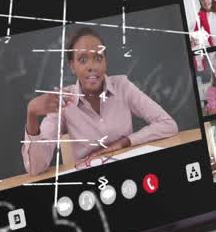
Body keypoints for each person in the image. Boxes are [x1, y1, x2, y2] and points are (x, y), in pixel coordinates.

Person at [22, 26, 178, 175]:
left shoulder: (122, 86)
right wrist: (32, 114)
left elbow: (168, 124)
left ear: (105, 62)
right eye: (83, 60)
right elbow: (35, 168)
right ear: (72, 67)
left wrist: (126, 142)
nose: (92, 66)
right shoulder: (63, 100)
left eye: (98, 58)